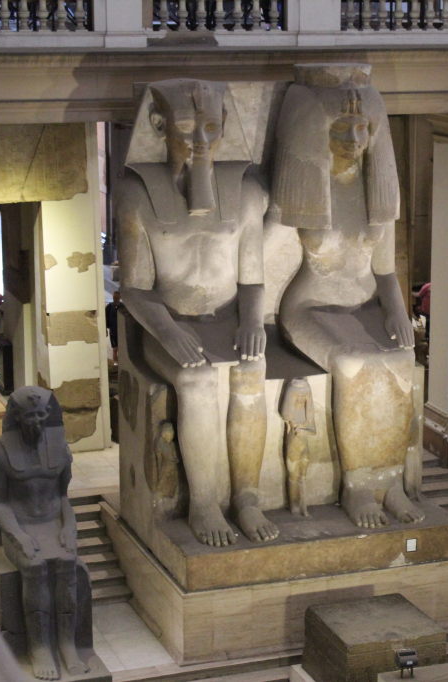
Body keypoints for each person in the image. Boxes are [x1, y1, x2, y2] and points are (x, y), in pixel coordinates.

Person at [116, 79, 276, 547]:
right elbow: (135, 289)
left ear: (226, 126)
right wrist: (169, 332)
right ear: (159, 126)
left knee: (252, 369)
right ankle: (204, 503)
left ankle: (246, 497)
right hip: (166, 323)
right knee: (198, 379)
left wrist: (251, 321)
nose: (201, 141)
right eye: (187, 128)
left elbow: (251, 279)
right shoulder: (137, 194)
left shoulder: (247, 193)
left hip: (226, 317)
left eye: (211, 128)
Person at [274, 64, 423, 529]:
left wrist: (397, 312)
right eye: (342, 128)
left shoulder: (376, 193)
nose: (355, 138)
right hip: (308, 307)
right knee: (353, 362)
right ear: (316, 133)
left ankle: (390, 483)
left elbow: (385, 271)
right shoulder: (301, 191)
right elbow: (268, 268)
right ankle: (358, 486)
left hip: (364, 304)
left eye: (363, 128)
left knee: (401, 362)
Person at [0, 387, 88, 680]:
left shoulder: (61, 448)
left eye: (42, 415)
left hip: (53, 522)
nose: (37, 422)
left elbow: (63, 497)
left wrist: (69, 527)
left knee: (67, 563)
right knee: (35, 567)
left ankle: (67, 644)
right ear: (17, 417)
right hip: (20, 525)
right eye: (30, 416)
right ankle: (39, 647)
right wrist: (17, 535)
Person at [104, 290, 121, 364]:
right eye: (114, 297)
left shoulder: (123, 307)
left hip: (122, 332)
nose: (115, 299)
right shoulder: (109, 307)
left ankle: (121, 364)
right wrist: (105, 329)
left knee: (121, 349)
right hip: (113, 332)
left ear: (120, 297)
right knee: (115, 349)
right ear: (113, 297)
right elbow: (105, 318)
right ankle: (115, 364)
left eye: (117, 297)